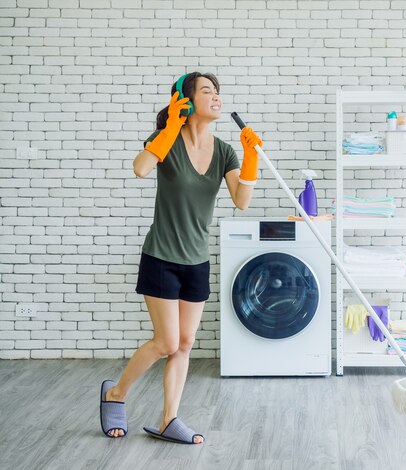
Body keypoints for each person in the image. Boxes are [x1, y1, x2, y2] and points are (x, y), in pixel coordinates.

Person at [98, 72, 262, 445]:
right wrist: (171, 126)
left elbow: (242, 200)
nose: (217, 97)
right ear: (185, 102)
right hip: (161, 256)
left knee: (185, 343)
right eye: (207, 91)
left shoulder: (223, 151)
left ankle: (169, 419)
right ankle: (116, 392)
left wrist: (250, 157)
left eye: (218, 92)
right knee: (166, 342)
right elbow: (140, 168)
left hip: (197, 260)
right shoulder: (166, 140)